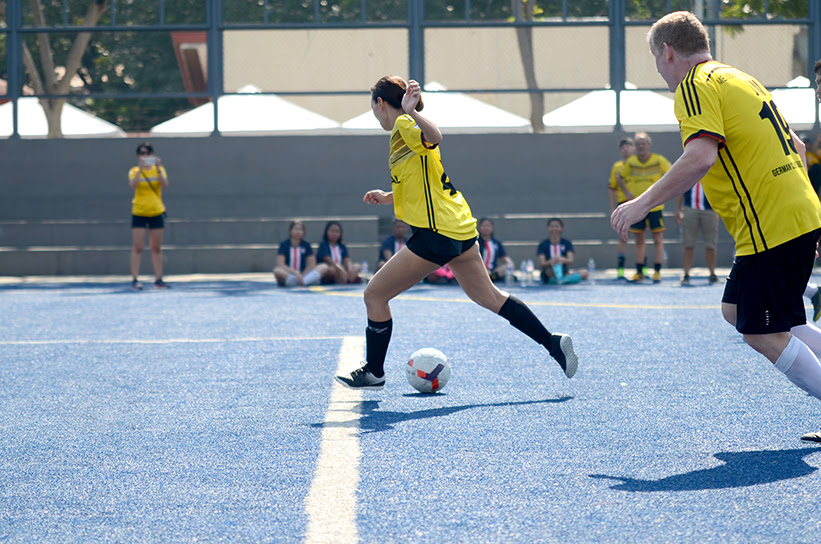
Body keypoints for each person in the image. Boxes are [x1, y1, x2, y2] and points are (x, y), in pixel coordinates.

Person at [611, 11, 821, 443]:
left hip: (770, 223)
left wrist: (640, 204)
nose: (658, 69)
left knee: (761, 333)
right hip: (790, 215)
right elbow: (797, 146)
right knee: (737, 310)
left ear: (668, 51)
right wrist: (800, 215)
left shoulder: (694, 84)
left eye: (655, 58)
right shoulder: (742, 78)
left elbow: (701, 157)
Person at [334, 76, 578, 390]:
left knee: (375, 295)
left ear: (381, 103)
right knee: (491, 297)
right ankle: (551, 342)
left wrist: (411, 113)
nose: (376, 117)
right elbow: (425, 179)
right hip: (459, 227)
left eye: (374, 110)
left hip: (437, 232)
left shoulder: (404, 126)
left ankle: (374, 372)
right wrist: (388, 196)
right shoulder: (403, 135)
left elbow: (435, 136)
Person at [616, 132, 670, 283]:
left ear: (649, 144)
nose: (641, 146)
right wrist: (627, 193)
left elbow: (670, 174)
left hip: (655, 207)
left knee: (658, 239)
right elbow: (619, 177)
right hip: (638, 207)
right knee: (639, 239)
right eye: (638, 143)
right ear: (635, 146)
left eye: (643, 143)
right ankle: (639, 271)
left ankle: (657, 272)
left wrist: (663, 194)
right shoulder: (631, 162)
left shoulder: (659, 160)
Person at [128, 142, 170, 290]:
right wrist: (140, 169)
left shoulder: (159, 170)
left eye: (147, 153)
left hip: (156, 211)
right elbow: (133, 185)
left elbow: (165, 184)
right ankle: (135, 279)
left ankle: (158, 279)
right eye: (142, 153)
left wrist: (158, 168)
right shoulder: (134, 170)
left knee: (156, 247)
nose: (145, 156)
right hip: (139, 211)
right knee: (138, 247)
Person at [674, 181, 719, 285]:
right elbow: (681, 188)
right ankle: (686, 274)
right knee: (688, 244)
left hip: (709, 209)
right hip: (690, 208)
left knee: (710, 244)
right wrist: (677, 209)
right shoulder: (691, 169)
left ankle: (712, 273)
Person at [608, 138, 635, 280]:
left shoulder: (639, 164)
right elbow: (612, 188)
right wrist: (613, 208)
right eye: (623, 147)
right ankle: (620, 270)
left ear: (634, 148)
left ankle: (641, 269)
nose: (626, 149)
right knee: (623, 237)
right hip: (623, 203)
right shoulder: (617, 166)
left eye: (628, 146)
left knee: (641, 237)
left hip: (638, 204)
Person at [537, 218, 589, 285]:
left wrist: (561, 260)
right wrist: (552, 261)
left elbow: (570, 260)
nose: (554, 229)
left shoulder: (566, 243)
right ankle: (563, 280)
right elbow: (542, 263)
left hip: (564, 271)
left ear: (561, 228)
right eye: (552, 227)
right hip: (549, 273)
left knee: (584, 272)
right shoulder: (543, 244)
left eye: (557, 227)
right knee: (551, 269)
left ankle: (561, 280)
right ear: (548, 228)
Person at [273, 220, 321, 287]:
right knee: (277, 271)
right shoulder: (284, 245)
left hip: (303, 275)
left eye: (300, 230)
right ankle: (300, 283)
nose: (298, 232)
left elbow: (312, 264)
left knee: (323, 267)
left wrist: (302, 275)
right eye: (295, 229)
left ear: (304, 232)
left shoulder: (306, 245)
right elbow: (280, 264)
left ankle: (303, 282)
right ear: (290, 231)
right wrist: (295, 273)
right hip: (289, 274)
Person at [477, 217, 512, 282]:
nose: (486, 228)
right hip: (479, 269)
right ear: (479, 228)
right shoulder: (476, 242)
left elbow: (504, 257)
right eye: (484, 226)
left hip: (494, 271)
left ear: (492, 228)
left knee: (507, 267)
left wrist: (509, 263)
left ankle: (492, 277)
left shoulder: (496, 243)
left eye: (488, 226)